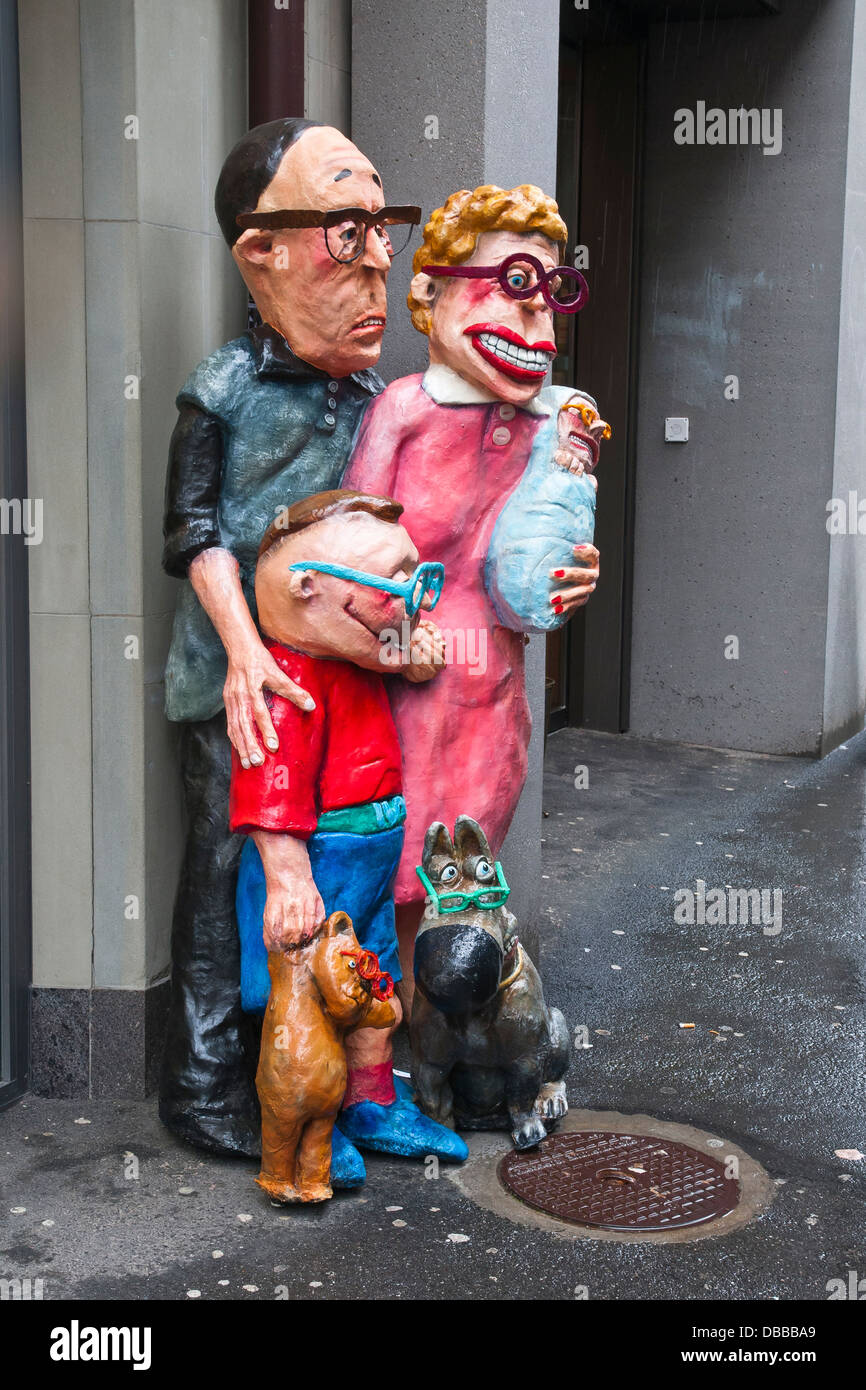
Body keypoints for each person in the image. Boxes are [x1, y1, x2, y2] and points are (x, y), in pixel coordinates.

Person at [160, 117, 431, 1159]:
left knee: (325, 881)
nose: (373, 267)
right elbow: (191, 534)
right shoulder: (222, 388)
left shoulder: (370, 397)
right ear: (259, 253)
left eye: (381, 231)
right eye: (343, 231)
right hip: (236, 683)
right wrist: (242, 649)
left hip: (343, 690)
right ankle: (204, 1082)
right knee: (222, 869)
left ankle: (321, 1080)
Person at [344, 184, 602, 986]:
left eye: (552, 296)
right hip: (396, 689)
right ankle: (378, 1054)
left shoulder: (549, 426)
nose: (535, 321)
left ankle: (447, 1036)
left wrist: (576, 576)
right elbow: (350, 551)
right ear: (431, 293)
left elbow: (542, 552)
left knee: (462, 861)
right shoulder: (403, 412)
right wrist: (392, 635)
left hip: (491, 690)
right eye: (512, 285)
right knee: (384, 867)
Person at [231, 490, 467, 1172]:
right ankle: (312, 1121)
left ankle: (372, 1105)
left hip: (372, 854)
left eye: (413, 577)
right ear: (306, 590)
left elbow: (405, 654)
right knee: (312, 997)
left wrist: (413, 651)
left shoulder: (353, 660)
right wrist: (287, 874)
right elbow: (267, 785)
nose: (410, 600)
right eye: (390, 585)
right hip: (322, 859)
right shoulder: (290, 680)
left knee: (374, 987)